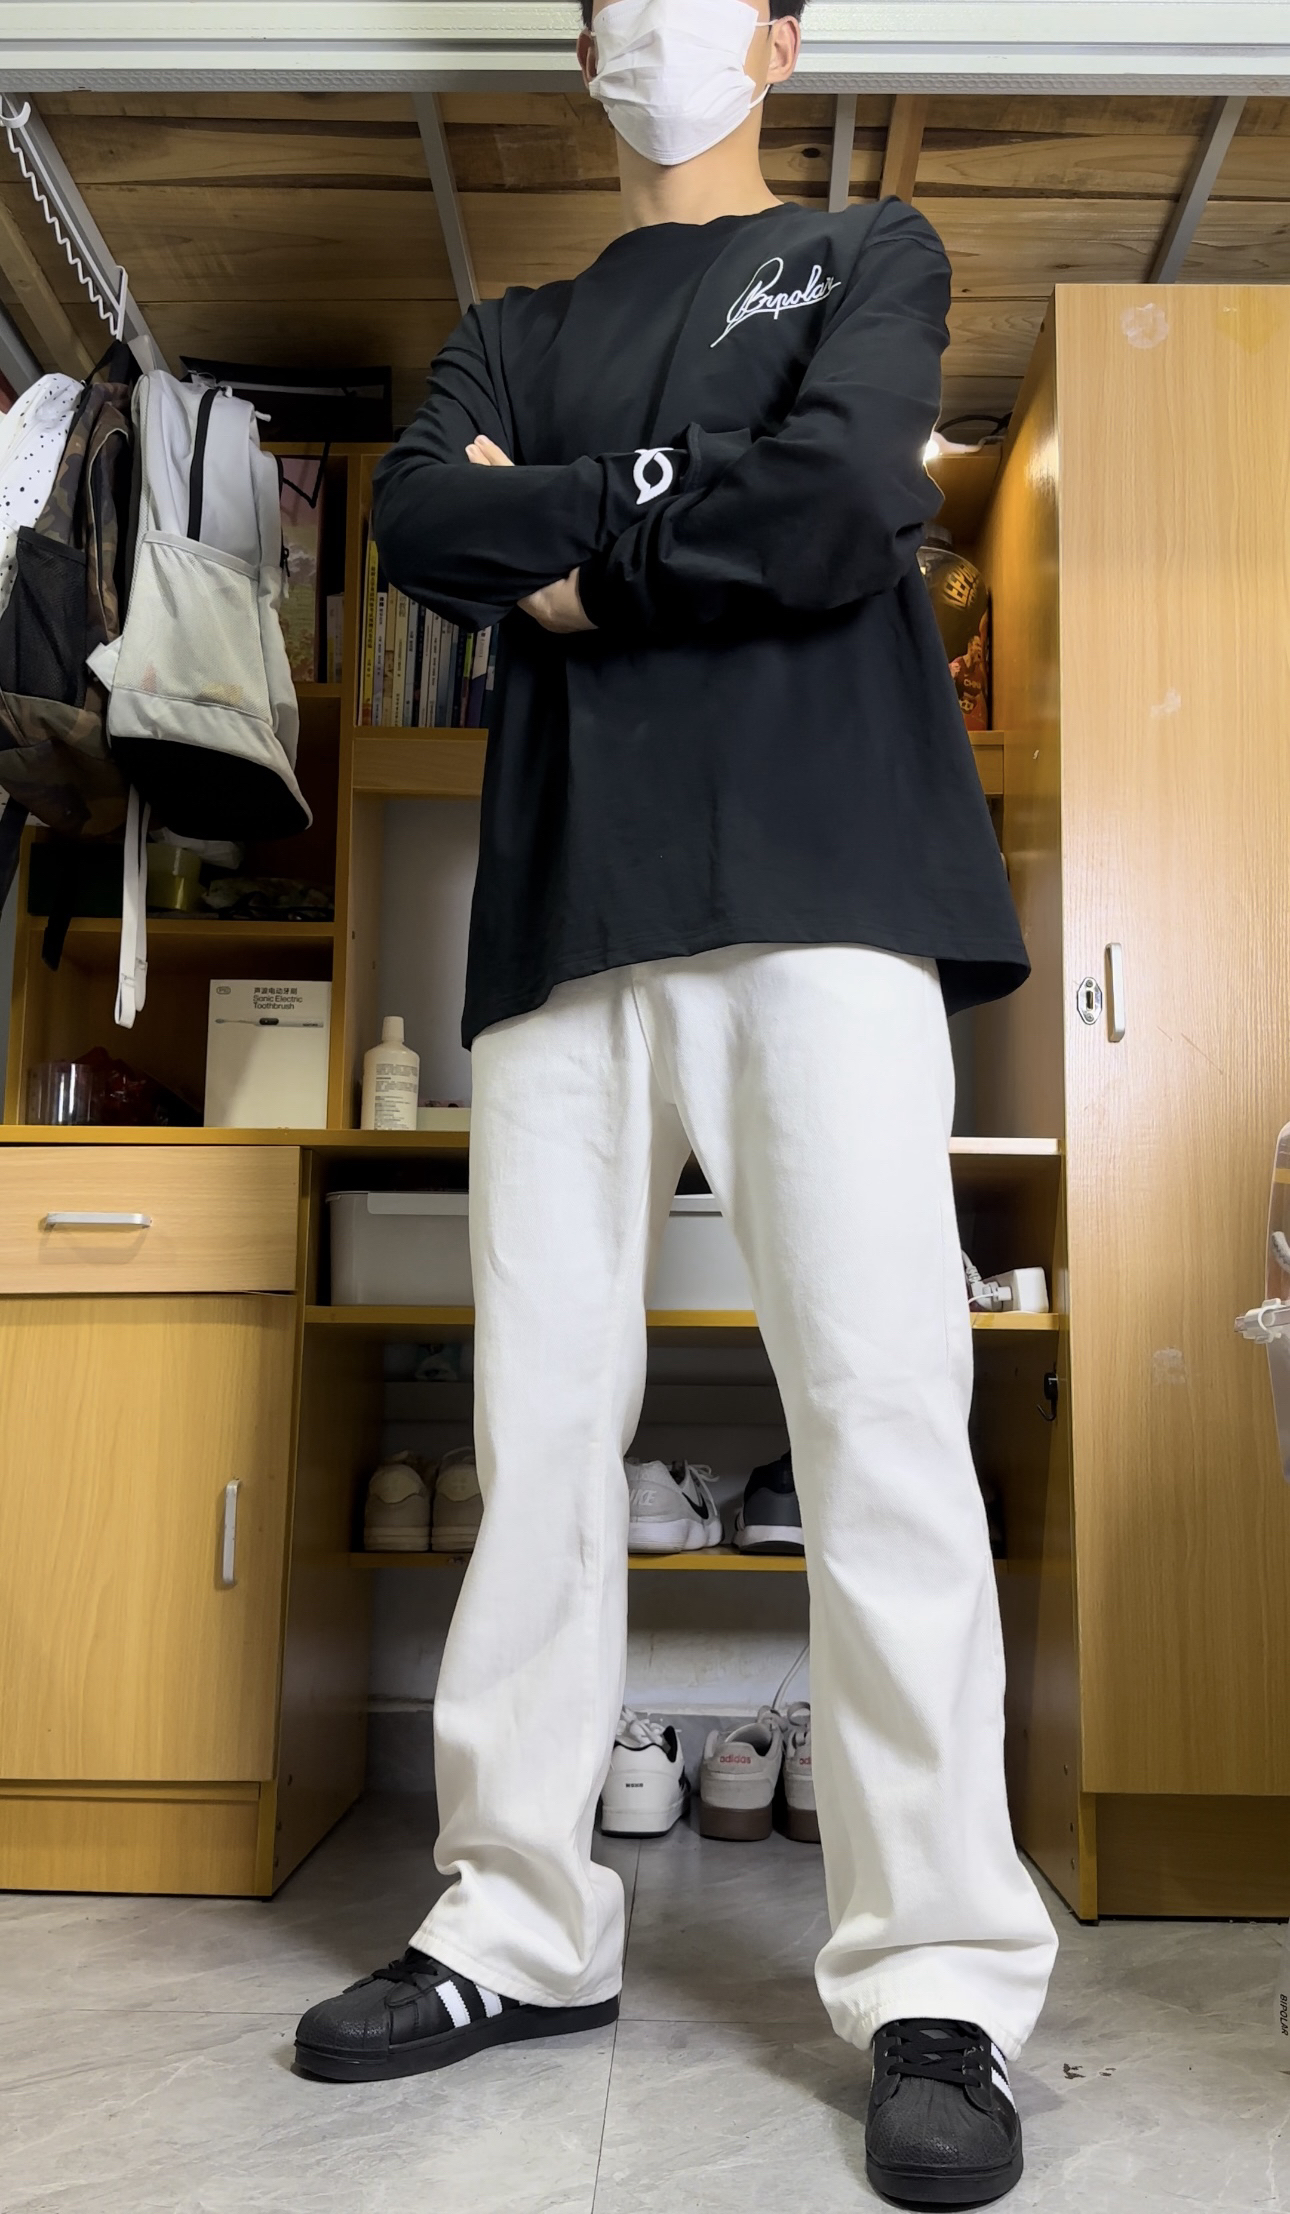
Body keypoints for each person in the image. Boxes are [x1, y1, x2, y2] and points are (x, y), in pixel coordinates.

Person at [295, 2, 1058, 2202]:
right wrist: (666, 510)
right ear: (582, 55)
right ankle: (517, 1923)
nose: (650, 22)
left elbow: (839, 504)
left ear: (778, 41)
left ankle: (936, 1981)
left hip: (827, 896)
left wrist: (575, 550)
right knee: (538, 1428)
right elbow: (425, 521)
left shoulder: (867, 253)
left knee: (881, 1412)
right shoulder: (509, 328)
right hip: (565, 916)